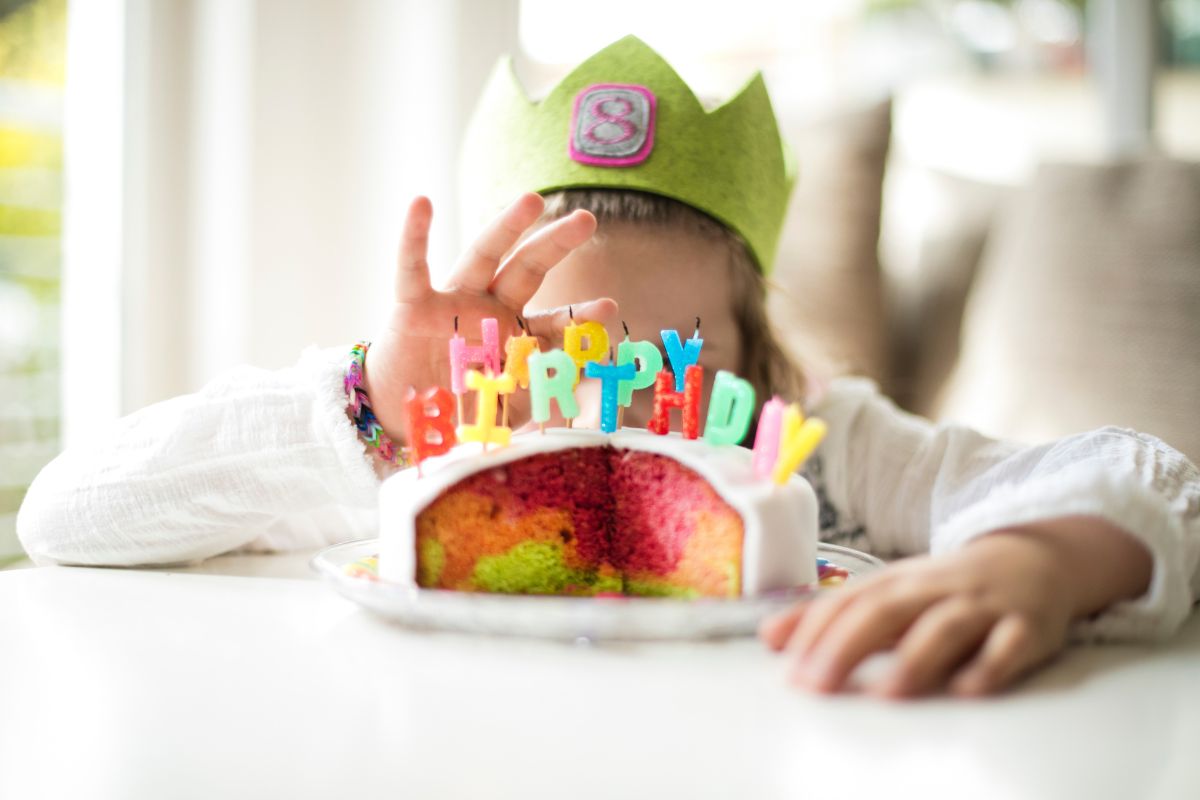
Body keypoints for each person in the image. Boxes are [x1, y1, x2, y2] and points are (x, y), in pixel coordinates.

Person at [17, 37, 1200, 698]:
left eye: (667, 362)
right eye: (557, 353)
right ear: (483, 361)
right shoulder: (427, 450)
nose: (609, 409)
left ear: (759, 366)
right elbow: (70, 514)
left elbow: (1142, 473)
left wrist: (1046, 556)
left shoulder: (823, 442)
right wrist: (373, 406)